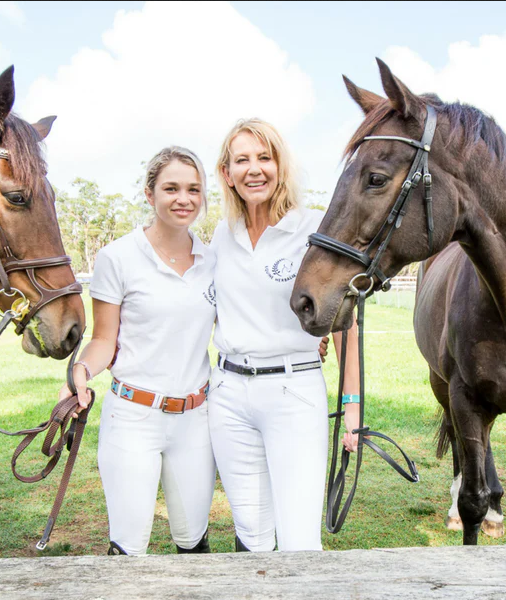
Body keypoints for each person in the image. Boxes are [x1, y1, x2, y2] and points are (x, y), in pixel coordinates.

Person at [208, 118, 361, 552]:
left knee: (298, 540)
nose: (254, 169)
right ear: (226, 173)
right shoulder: (222, 235)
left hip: (293, 392)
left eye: (264, 158)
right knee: (252, 535)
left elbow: (345, 325)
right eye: (242, 160)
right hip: (229, 395)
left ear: (280, 166)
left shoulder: (315, 230)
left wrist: (351, 406)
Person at [61, 146, 216, 556]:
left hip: (196, 418)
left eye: (193, 189)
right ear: (150, 194)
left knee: (193, 541)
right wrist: (80, 372)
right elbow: (103, 340)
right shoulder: (117, 257)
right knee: (129, 547)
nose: (183, 199)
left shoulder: (214, 260)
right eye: (171, 188)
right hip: (133, 418)